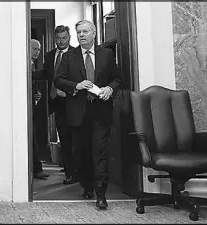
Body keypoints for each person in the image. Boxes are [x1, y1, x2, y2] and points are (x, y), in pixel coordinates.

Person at [54, 20, 121, 209]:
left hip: (101, 111)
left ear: (94, 33)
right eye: (79, 32)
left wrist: (110, 88)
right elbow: (58, 79)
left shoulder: (106, 54)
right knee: (81, 153)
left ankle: (101, 194)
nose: (81, 35)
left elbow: (117, 78)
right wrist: (75, 85)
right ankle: (87, 186)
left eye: (85, 31)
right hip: (78, 112)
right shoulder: (70, 56)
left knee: (99, 152)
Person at [35, 25, 76, 185]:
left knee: (69, 137)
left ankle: (72, 172)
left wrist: (69, 91)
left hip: (69, 101)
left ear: (69, 37)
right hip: (51, 99)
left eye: (64, 38)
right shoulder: (50, 55)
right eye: (58, 38)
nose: (61, 41)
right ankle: (40, 165)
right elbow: (46, 73)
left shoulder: (75, 54)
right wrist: (26, 73)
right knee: (39, 127)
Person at [30, 39, 50, 180]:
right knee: (31, 136)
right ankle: (36, 169)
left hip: (33, 104)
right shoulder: (26, 63)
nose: (38, 52)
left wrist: (37, 93)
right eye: (35, 49)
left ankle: (36, 168)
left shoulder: (32, 64)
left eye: (39, 49)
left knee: (34, 135)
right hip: (27, 106)